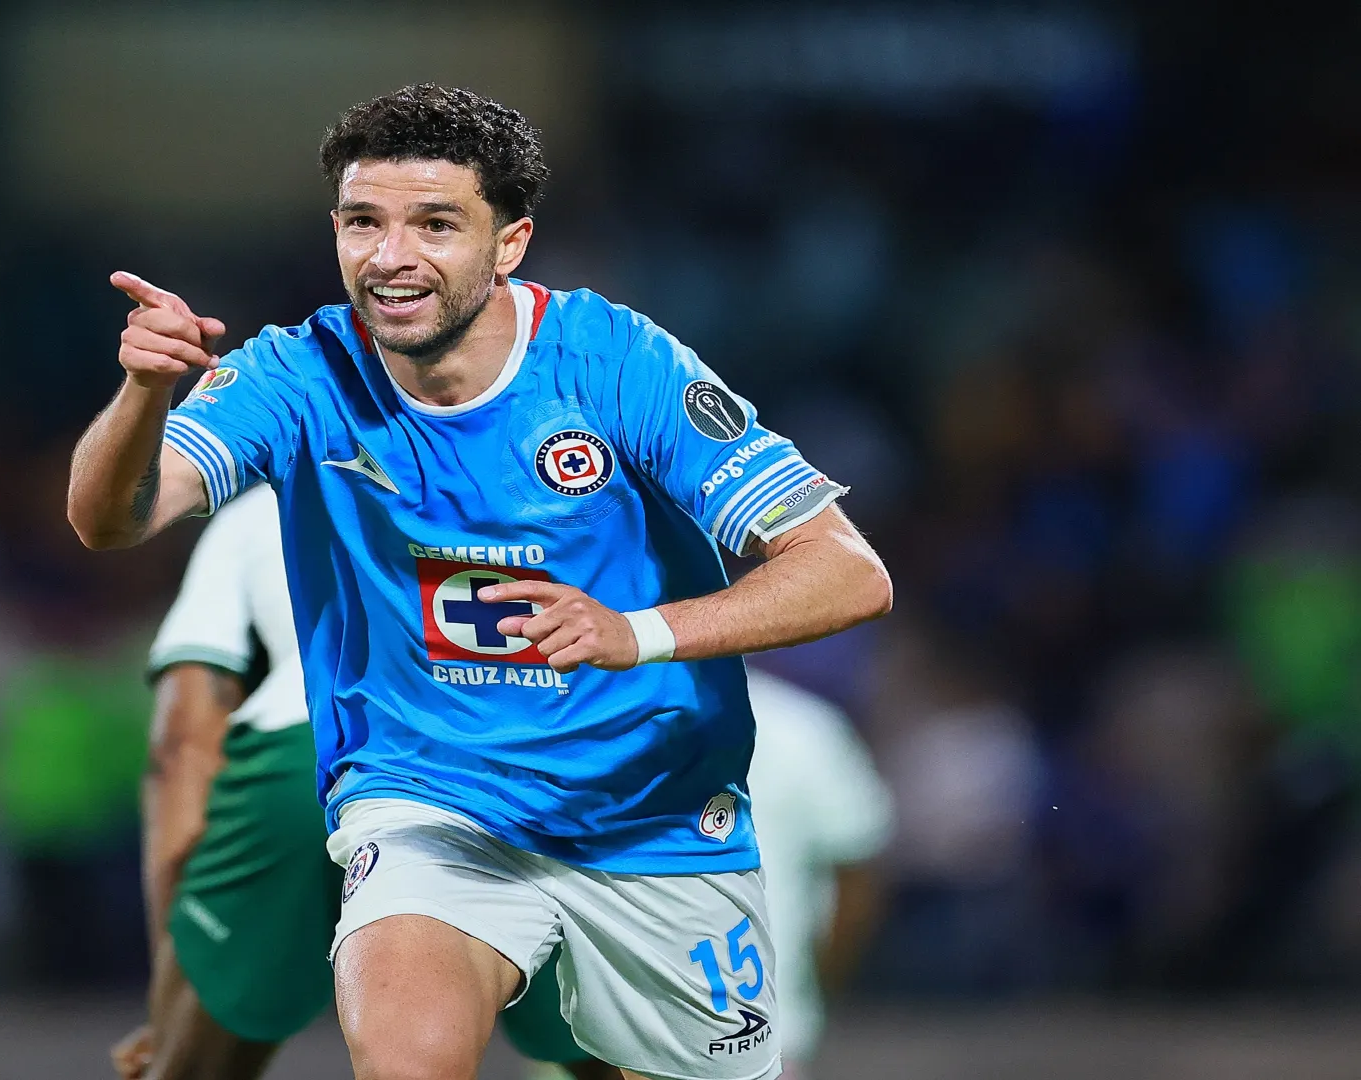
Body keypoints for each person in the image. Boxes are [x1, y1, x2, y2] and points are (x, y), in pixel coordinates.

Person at [68, 83, 892, 1080]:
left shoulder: (616, 363)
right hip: (425, 805)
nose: (390, 256)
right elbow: (113, 517)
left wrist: (638, 632)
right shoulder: (300, 372)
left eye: (435, 224)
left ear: (510, 243)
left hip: (651, 820)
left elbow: (846, 572)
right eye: (363, 222)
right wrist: (145, 394)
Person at [111, 484, 618, 1080]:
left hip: (310, 760)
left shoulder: (266, 504)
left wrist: (182, 970)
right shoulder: (528, 486)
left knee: (195, 1069)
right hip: (518, 767)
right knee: (614, 1060)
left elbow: (183, 743)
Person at [742, 665, 895, 1080]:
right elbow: (858, 881)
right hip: (761, 1019)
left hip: (601, 1025)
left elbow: (857, 876)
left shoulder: (596, 717)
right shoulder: (804, 725)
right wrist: (819, 984)